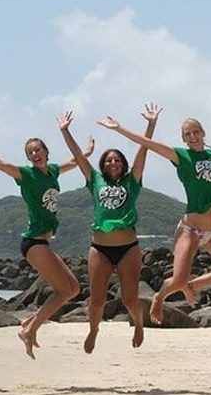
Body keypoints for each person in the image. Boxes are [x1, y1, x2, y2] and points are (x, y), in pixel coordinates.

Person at [100, 107, 211, 325]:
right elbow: (149, 144)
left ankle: (193, 286)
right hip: (190, 228)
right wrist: (120, 129)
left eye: (195, 132)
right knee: (178, 279)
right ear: (183, 139)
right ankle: (159, 297)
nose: (192, 136)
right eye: (187, 134)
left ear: (202, 133)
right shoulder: (181, 156)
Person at [0, 132, 94, 359]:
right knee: (63, 291)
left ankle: (31, 321)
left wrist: (87, 150)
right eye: (30, 152)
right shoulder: (27, 175)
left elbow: (75, 161)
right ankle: (30, 330)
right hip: (33, 242)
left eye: (38, 150)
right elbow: (1, 164)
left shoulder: (53, 172)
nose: (34, 154)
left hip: (43, 243)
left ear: (46, 152)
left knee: (74, 288)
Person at [60, 106, 160, 354]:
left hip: (128, 248)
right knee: (97, 300)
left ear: (122, 164)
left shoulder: (131, 181)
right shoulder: (95, 180)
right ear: (103, 165)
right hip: (100, 248)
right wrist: (65, 132)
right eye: (108, 160)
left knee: (129, 299)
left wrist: (150, 125)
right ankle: (93, 330)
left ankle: (138, 325)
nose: (113, 162)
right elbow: (79, 158)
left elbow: (143, 150)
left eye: (117, 160)